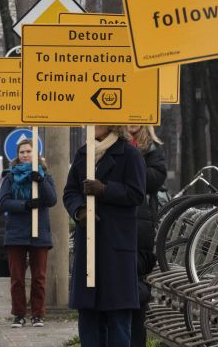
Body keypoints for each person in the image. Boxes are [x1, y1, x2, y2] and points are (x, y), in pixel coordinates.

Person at [64, 125, 147, 347]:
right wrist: (79, 210)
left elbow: (136, 193)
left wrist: (104, 190)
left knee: (118, 316)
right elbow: (70, 191)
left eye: (96, 121)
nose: (90, 126)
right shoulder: (83, 154)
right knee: (88, 315)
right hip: (88, 245)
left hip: (115, 245)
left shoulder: (129, 154)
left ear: (111, 124)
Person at [0, 138, 57, 328]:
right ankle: (19, 314)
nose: (25, 155)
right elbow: (4, 202)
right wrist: (25, 205)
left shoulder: (45, 175)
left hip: (38, 233)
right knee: (17, 278)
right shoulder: (10, 176)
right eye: (22, 152)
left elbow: (51, 200)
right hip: (16, 233)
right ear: (18, 155)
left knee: (39, 277)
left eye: (28, 151)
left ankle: (38, 314)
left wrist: (40, 181)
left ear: (35, 154)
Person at [126, 125, 167, 347]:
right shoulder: (111, 142)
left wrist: (131, 162)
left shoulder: (152, 148)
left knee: (138, 284)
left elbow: (155, 178)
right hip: (116, 222)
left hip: (140, 222)